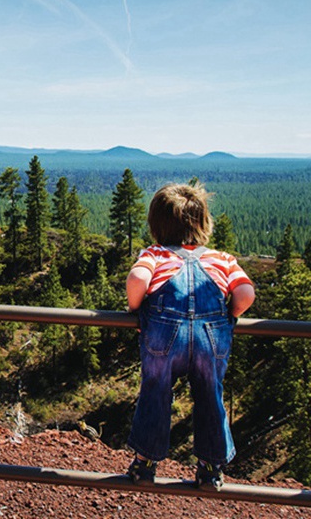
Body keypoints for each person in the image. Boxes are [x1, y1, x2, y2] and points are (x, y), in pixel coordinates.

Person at [125, 182, 255, 491]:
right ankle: (210, 469)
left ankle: (145, 464)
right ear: (202, 222)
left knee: (156, 393)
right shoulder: (222, 259)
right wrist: (231, 315)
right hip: (211, 341)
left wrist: (135, 309)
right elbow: (246, 293)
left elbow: (137, 279)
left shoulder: (155, 254)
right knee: (210, 396)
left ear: (157, 224)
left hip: (164, 340)